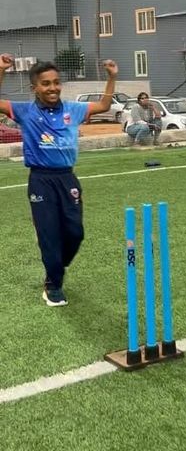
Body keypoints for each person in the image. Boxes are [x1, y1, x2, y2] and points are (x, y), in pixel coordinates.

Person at [0, 53, 119, 307]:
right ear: (34, 87)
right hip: (41, 180)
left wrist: (112, 77)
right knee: (50, 236)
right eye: (45, 84)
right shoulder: (25, 111)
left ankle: (55, 263)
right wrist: (1, 69)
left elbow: (103, 106)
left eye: (56, 82)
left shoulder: (73, 110)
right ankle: (53, 285)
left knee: (75, 233)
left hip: (68, 178)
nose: (52, 88)